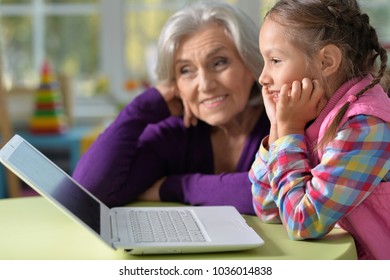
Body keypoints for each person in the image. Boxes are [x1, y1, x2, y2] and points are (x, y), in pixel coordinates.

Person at [73, 2, 270, 215]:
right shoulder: (174, 132)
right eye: (186, 70)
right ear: (175, 84)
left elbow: (271, 195)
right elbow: (88, 193)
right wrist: (140, 109)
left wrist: (175, 186)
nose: (205, 84)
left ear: (251, 65)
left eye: (219, 63)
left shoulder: (285, 119)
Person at [249, 0, 390, 259]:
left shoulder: (366, 125)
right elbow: (267, 209)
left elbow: (301, 222)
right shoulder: (313, 115)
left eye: (275, 60)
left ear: (326, 61)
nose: (263, 77)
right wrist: (278, 127)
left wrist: (290, 131)